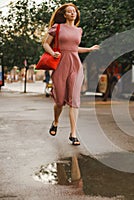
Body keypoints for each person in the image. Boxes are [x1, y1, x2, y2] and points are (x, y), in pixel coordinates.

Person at [43, 3, 99, 145]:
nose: (72, 13)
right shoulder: (57, 28)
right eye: (69, 11)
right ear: (65, 15)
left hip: (75, 66)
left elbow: (74, 48)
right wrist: (52, 52)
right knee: (60, 101)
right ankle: (55, 122)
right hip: (60, 65)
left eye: (74, 11)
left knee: (74, 100)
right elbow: (45, 43)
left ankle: (73, 134)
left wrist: (89, 49)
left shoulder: (79, 30)